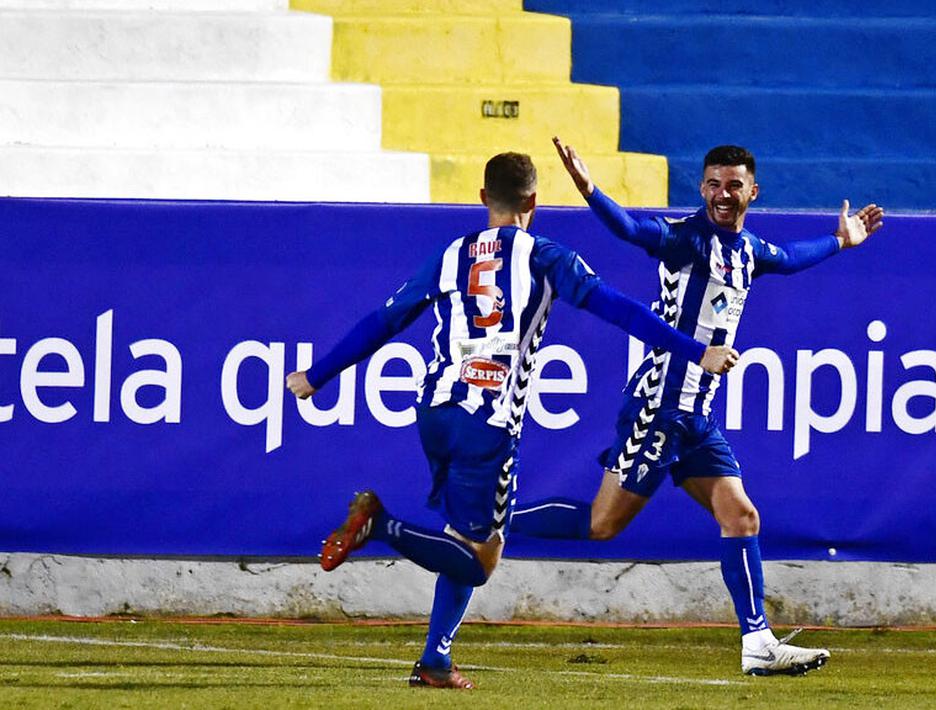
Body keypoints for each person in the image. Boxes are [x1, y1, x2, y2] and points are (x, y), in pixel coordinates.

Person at [285, 152, 738, 690]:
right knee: (480, 559)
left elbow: (382, 321)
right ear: (534, 203)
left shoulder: (449, 254)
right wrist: (694, 349)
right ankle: (380, 525)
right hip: (489, 419)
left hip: (433, 410)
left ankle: (435, 660)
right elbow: (622, 310)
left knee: (463, 534)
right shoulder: (546, 256)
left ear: (483, 199)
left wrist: (318, 373)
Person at [510, 138, 885, 676]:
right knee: (602, 525)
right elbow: (633, 230)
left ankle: (757, 643)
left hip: (696, 418)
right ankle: (493, 522)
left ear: (753, 191)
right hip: (658, 407)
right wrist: (591, 190)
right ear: (702, 189)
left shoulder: (748, 251)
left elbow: (791, 257)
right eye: (713, 184)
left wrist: (840, 240)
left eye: (734, 185)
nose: (722, 194)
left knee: (741, 515)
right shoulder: (686, 240)